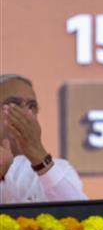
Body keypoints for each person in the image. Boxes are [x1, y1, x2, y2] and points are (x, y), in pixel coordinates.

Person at [0, 74, 87, 203]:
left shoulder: (59, 170)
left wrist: (39, 157)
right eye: (13, 104)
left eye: (31, 106)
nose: (25, 113)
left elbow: (81, 216)